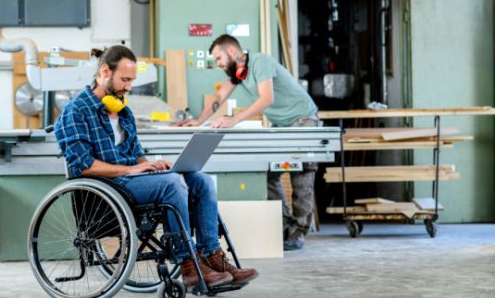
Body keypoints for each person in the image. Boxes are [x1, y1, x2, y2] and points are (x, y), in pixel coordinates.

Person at [54, 45, 258, 290]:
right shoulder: (75, 111)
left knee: (200, 180)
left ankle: (211, 255)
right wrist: (129, 170)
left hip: (132, 181)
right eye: (125, 80)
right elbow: (83, 166)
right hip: (106, 187)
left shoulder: (123, 111)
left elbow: (135, 153)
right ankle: (188, 265)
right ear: (105, 71)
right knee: (172, 184)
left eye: (132, 81)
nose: (129, 87)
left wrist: (149, 165)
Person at [176, 34, 320, 251]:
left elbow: (266, 98)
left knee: (301, 177)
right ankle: (284, 225)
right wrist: (198, 120)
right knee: (269, 175)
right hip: (283, 126)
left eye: (218, 58)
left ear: (232, 52)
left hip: (303, 120)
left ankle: (298, 233)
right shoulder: (238, 74)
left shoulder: (260, 62)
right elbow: (219, 96)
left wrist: (233, 120)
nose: (218, 64)